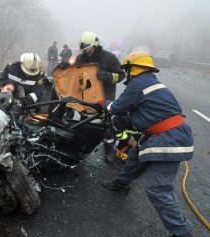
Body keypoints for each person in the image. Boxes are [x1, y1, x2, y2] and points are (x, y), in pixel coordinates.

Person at [99, 50, 194, 237]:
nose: (125, 73)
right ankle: (122, 184)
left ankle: (181, 232)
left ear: (133, 69)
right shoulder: (151, 82)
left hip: (169, 138)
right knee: (135, 156)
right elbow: (144, 112)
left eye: (126, 69)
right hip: (160, 134)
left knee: (157, 189)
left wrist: (102, 102)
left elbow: (116, 107)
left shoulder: (138, 84)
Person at [76, 31, 125, 163]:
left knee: (107, 126)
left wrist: (106, 76)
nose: (87, 52)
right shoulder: (81, 59)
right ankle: (79, 147)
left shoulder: (109, 58)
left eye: (88, 49)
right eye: (84, 49)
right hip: (86, 98)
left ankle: (109, 150)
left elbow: (121, 75)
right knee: (83, 123)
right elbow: (74, 74)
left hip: (105, 98)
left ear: (95, 45)